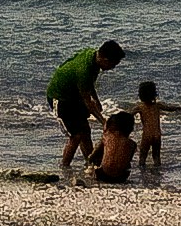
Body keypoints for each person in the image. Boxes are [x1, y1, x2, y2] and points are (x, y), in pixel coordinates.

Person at [46, 39, 124, 186]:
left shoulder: (94, 60)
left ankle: (91, 164)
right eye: (113, 64)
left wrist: (97, 100)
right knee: (75, 136)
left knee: (85, 132)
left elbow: (89, 86)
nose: (113, 68)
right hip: (60, 97)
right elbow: (87, 101)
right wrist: (103, 121)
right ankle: (65, 168)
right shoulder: (84, 69)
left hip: (74, 95)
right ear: (105, 59)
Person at [112, 78, 176, 186]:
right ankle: (157, 175)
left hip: (146, 136)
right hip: (157, 135)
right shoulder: (158, 105)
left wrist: (117, 120)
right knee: (156, 157)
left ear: (140, 95)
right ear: (154, 94)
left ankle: (143, 175)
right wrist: (179, 108)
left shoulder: (140, 107)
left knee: (142, 158)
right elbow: (170, 108)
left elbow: (129, 115)